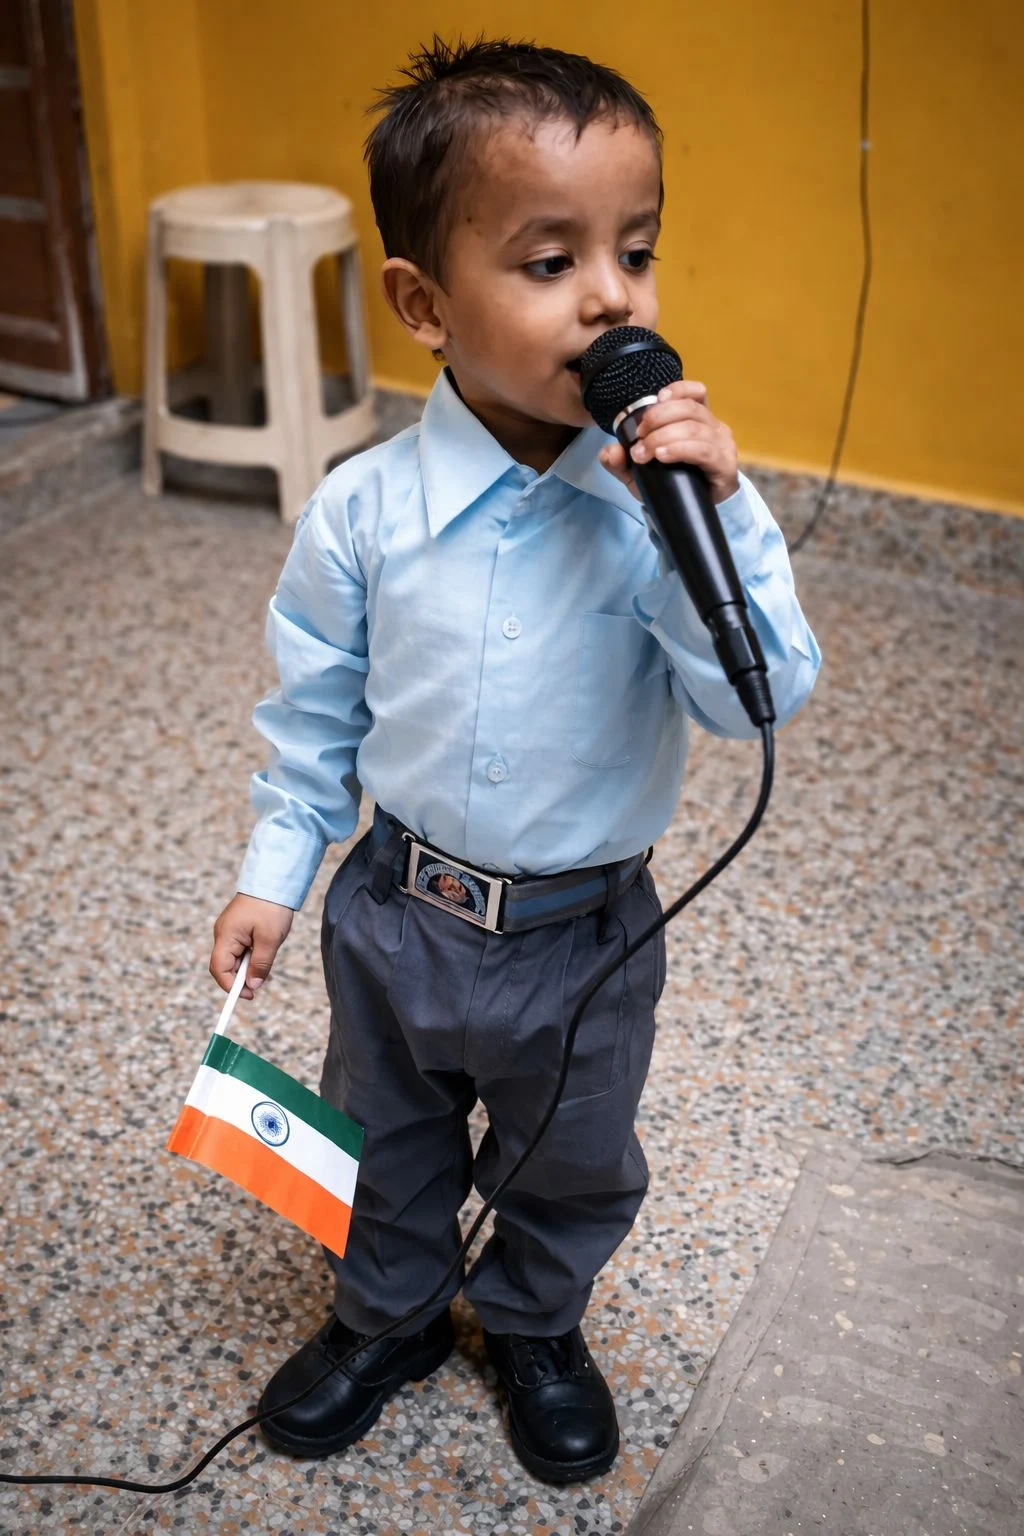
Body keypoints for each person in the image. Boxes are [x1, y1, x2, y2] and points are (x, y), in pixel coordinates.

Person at [208, 36, 820, 1484]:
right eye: (550, 261)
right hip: (396, 913)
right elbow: (314, 720)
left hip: (584, 934)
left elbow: (757, 702)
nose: (612, 294)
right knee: (382, 1137)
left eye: (637, 251)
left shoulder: (671, 513)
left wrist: (712, 523)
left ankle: (537, 1322)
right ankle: (391, 1311)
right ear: (424, 304)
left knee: (571, 1155)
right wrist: (272, 878)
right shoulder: (360, 514)